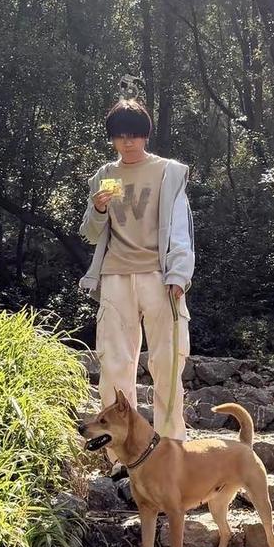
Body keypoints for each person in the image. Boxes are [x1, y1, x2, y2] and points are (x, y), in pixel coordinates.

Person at [80, 98, 194, 440]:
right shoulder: (105, 176)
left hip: (159, 277)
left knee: (167, 363)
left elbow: (180, 228)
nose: (127, 142)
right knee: (115, 366)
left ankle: (171, 447)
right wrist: (98, 209)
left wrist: (179, 274)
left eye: (134, 135)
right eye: (120, 136)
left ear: (145, 135)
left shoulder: (168, 172)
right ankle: (120, 451)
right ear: (112, 138)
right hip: (115, 275)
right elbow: (91, 233)